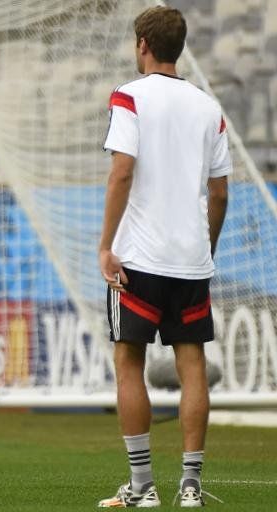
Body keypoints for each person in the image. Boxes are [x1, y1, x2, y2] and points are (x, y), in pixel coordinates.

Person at [97, 7, 230, 508]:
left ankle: (142, 487)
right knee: (192, 362)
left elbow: (121, 173)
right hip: (191, 257)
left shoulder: (128, 96)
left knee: (128, 361)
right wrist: (206, 247)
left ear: (143, 44)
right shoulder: (208, 106)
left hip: (138, 257)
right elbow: (219, 194)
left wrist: (106, 245)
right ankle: (191, 486)